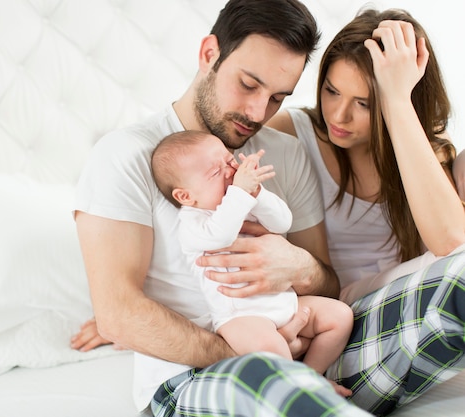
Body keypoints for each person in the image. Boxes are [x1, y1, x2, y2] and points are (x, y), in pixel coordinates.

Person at [73, 1, 465, 416]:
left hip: (310, 350)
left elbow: (328, 283)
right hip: (197, 375)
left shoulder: (284, 151)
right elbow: (118, 313)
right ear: (209, 54)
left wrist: (298, 266)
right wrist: (261, 356)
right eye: (248, 84)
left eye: (278, 97)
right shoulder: (127, 155)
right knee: (281, 388)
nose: (258, 112)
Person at [263, 7, 465, 414]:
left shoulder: (426, 150)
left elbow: (449, 243)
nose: (338, 116)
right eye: (332, 91)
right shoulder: (293, 132)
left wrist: (395, 98)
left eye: (364, 103)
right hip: (328, 325)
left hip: (400, 311)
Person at [151, 130, 353, 395]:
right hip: (241, 318)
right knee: (273, 350)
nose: (229, 172)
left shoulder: (242, 200)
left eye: (228, 161)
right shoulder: (193, 223)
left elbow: (282, 222)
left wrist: (258, 193)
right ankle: (303, 391)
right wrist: (240, 191)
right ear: (186, 196)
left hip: (284, 303)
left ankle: (313, 377)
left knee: (340, 316)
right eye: (215, 172)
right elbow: (220, 233)